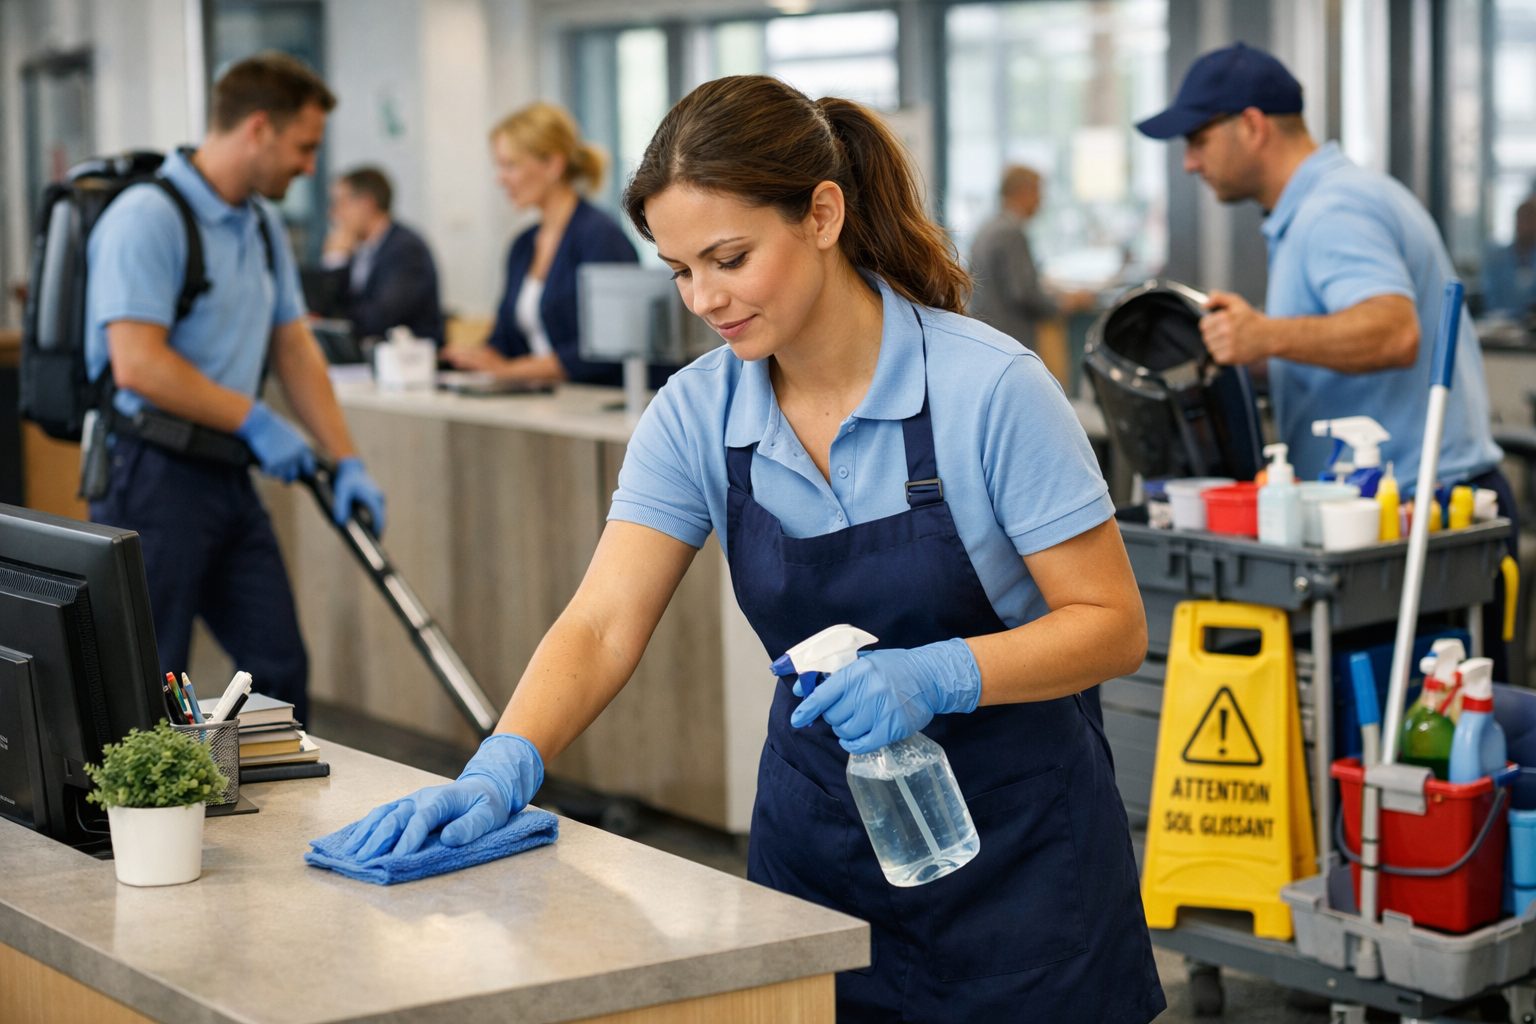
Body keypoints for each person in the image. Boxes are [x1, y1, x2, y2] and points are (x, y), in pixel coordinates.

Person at [345, 75, 1164, 1022]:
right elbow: (604, 623)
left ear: (822, 214)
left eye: (729, 258)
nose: (705, 298)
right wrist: (503, 761)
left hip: (1023, 876)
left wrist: (938, 674)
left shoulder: (991, 391)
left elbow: (1110, 628)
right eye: (681, 270)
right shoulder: (700, 412)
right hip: (815, 861)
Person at [85, 53, 386, 726]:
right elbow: (137, 363)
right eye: (305, 147)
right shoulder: (147, 218)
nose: (310, 166)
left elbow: (292, 344)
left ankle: (278, 831)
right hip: (151, 475)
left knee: (276, 671)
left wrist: (346, 457)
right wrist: (255, 420)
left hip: (225, 478)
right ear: (258, 129)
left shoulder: (259, 224)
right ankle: (134, 831)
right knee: (149, 679)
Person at [1136, 43, 1507, 508]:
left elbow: (1394, 333)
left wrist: (1267, 334)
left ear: (1251, 125)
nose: (1189, 163)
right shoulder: (1320, 206)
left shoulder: (1335, 208)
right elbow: (1345, 348)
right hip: (1397, 505)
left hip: (1419, 513)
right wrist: (1256, 356)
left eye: (1198, 140)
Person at [442, 103, 636, 385]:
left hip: (599, 401)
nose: (500, 178)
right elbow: (505, 338)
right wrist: (473, 357)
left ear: (553, 165)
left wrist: (511, 371)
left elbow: (608, 345)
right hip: (544, 403)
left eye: (510, 165)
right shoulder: (522, 245)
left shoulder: (600, 236)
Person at [968, 164, 1094, 351]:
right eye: (1038, 192)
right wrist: (1064, 304)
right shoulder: (1011, 232)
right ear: (1022, 192)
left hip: (988, 335)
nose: (1041, 201)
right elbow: (1024, 293)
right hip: (1009, 338)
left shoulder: (989, 226)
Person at [319, 165, 445, 345]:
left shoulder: (406, 249)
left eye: (340, 203)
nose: (333, 213)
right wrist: (335, 261)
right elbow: (328, 310)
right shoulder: (358, 250)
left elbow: (379, 319)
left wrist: (338, 262)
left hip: (407, 364)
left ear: (366, 204)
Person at [1482, 196, 1536, 320]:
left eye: (1531, 220)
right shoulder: (1497, 259)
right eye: (1522, 219)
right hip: (1502, 327)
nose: (1526, 226)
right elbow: (1491, 300)